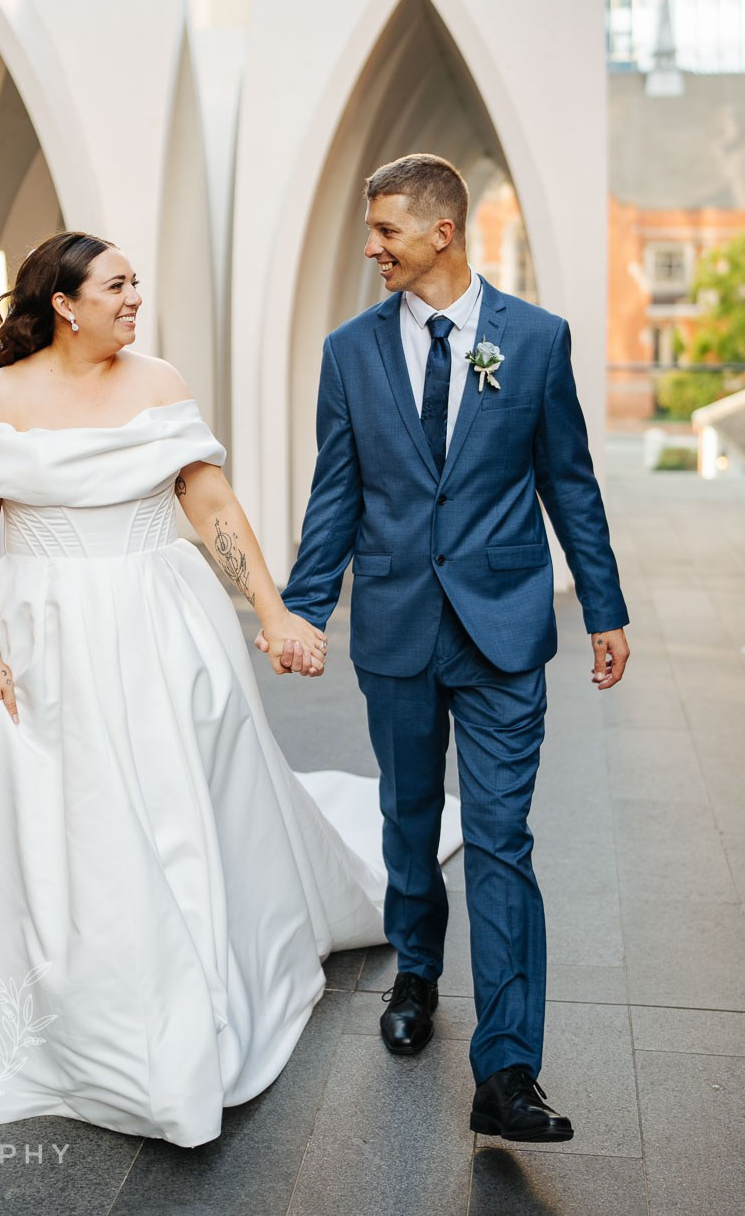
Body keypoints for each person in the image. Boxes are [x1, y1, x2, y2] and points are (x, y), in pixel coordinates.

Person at [0, 231, 462, 1148]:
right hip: (43, 632)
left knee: (173, 804)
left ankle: (188, 993)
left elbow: (211, 506)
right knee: (57, 813)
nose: (135, 298)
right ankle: (60, 1010)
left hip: (158, 623)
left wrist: (274, 613)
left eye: (136, 283)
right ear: (65, 304)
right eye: (116, 286)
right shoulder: (1, 396)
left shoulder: (159, 381)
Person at [264, 153, 630, 1143]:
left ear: (441, 231)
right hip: (395, 625)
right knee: (410, 814)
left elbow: (569, 482)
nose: (371, 248)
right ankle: (417, 970)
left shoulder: (535, 340)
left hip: (504, 627)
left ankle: (506, 1070)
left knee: (503, 838)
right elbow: (335, 493)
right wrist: (304, 609)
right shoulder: (349, 352)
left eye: (385, 230)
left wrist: (604, 607)